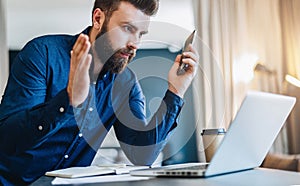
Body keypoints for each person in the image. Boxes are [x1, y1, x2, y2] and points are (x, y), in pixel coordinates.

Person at [0, 0, 199, 184]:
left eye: (140, 34)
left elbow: (142, 156)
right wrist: (67, 100)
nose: (135, 44)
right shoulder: (42, 54)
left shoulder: (126, 83)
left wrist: (176, 91)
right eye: (127, 28)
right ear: (98, 18)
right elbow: (8, 139)